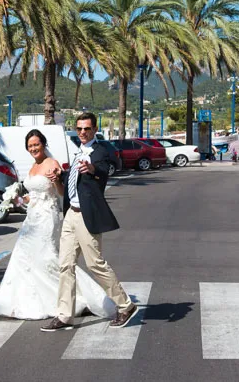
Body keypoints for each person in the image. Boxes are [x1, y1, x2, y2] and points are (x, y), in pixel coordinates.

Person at [0, 129, 115, 320]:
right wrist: (17, 200)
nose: (33, 148)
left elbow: (60, 192)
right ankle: (24, 301)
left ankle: (76, 299)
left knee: (47, 257)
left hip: (47, 218)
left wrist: (57, 180)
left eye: (36, 144)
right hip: (32, 219)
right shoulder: (33, 167)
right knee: (23, 256)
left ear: (43, 144)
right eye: (30, 146)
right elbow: (32, 196)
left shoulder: (52, 163)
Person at [41, 112, 138, 332]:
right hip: (70, 215)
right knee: (65, 264)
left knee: (95, 263)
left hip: (87, 216)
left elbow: (102, 171)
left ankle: (125, 305)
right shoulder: (78, 152)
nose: (83, 132)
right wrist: (60, 175)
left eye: (87, 129)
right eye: (79, 129)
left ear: (94, 129)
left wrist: (92, 169)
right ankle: (64, 315)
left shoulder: (100, 152)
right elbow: (73, 181)